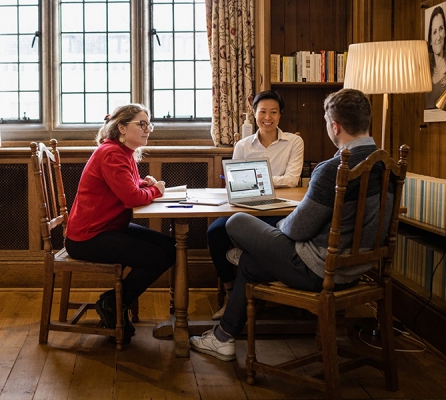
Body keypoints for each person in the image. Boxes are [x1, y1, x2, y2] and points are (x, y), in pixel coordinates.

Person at [190, 88, 391, 361]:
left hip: (319, 269)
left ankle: (224, 334)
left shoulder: (333, 169)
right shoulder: (387, 165)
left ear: (335, 126)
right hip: (359, 269)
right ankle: (223, 337)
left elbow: (298, 230)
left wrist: (278, 227)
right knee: (249, 262)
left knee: (236, 222)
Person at [65, 103, 177, 343]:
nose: (148, 129)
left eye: (149, 125)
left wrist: (146, 185)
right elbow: (131, 198)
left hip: (110, 227)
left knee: (170, 247)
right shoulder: (111, 153)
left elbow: (127, 188)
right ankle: (113, 303)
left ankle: (116, 302)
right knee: (158, 257)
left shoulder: (121, 151)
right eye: (142, 124)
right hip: (89, 236)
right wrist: (155, 190)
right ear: (122, 128)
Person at [207, 90, 304, 320]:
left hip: (279, 208)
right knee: (215, 232)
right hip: (246, 207)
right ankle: (231, 293)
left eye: (273, 112)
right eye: (262, 112)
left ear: (281, 115)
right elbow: (236, 182)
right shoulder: (243, 145)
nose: (267, 117)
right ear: (254, 113)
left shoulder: (294, 142)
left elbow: (292, 179)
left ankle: (260, 292)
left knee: (270, 236)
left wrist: (255, 180)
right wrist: (265, 182)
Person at [425, 5, 446, 109]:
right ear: (430, 39)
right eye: (434, 32)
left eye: (441, 29)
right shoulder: (425, 73)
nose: (438, 37)